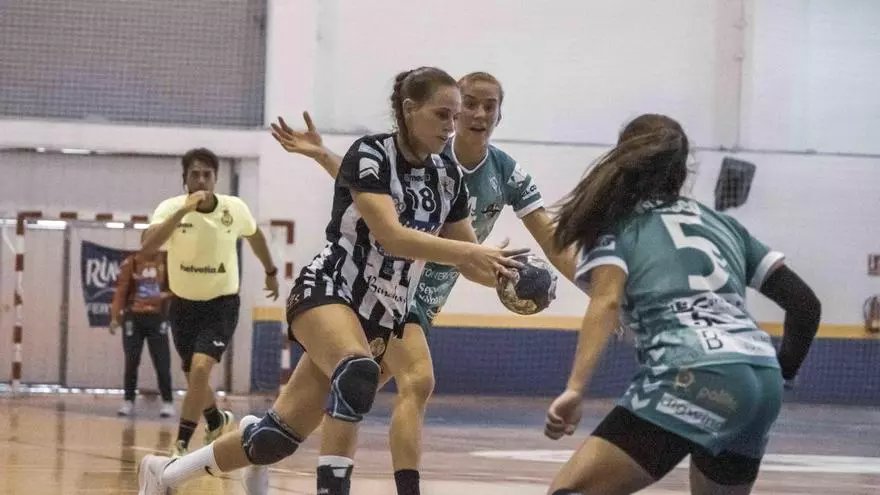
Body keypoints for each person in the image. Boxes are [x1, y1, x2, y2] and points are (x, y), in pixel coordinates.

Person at [136, 66, 526, 495]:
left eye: (454, 116)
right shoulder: (370, 154)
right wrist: (472, 252)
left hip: (383, 314)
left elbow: (469, 258)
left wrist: (506, 276)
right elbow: (391, 235)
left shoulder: (448, 177)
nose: (451, 126)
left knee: (276, 438)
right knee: (357, 371)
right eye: (442, 114)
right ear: (409, 109)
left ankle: (164, 473)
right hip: (329, 290)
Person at [270, 71, 576, 495]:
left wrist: (591, 293)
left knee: (292, 425)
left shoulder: (504, 172)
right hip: (383, 288)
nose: (478, 114)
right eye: (469, 104)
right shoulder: (426, 143)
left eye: (490, 106)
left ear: (500, 115)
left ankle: (252, 442)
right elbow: (373, 191)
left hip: (422, 301)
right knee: (413, 379)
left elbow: (550, 242)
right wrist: (324, 156)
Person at [543, 114, 821, 495]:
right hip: (761, 380)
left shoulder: (619, 226)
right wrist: (778, 374)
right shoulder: (723, 225)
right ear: (683, 169)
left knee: (569, 491)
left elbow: (605, 301)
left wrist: (576, 388)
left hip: (692, 372)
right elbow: (805, 305)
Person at [141, 147, 281, 457]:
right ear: (185, 179)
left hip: (221, 304)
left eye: (207, 174)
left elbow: (255, 236)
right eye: (195, 174)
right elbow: (147, 246)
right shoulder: (170, 209)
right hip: (183, 306)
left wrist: (271, 271)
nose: (201, 180)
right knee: (193, 375)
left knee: (201, 368)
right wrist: (182, 212)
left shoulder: (234, 209)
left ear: (216, 178)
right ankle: (216, 419)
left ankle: (181, 444)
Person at [109, 237, 175, 418]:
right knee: (131, 360)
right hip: (134, 318)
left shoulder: (167, 262)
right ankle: (128, 400)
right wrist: (115, 317)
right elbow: (121, 291)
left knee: (162, 361)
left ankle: (168, 402)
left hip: (157, 318)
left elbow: (177, 289)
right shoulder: (131, 262)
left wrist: (165, 296)